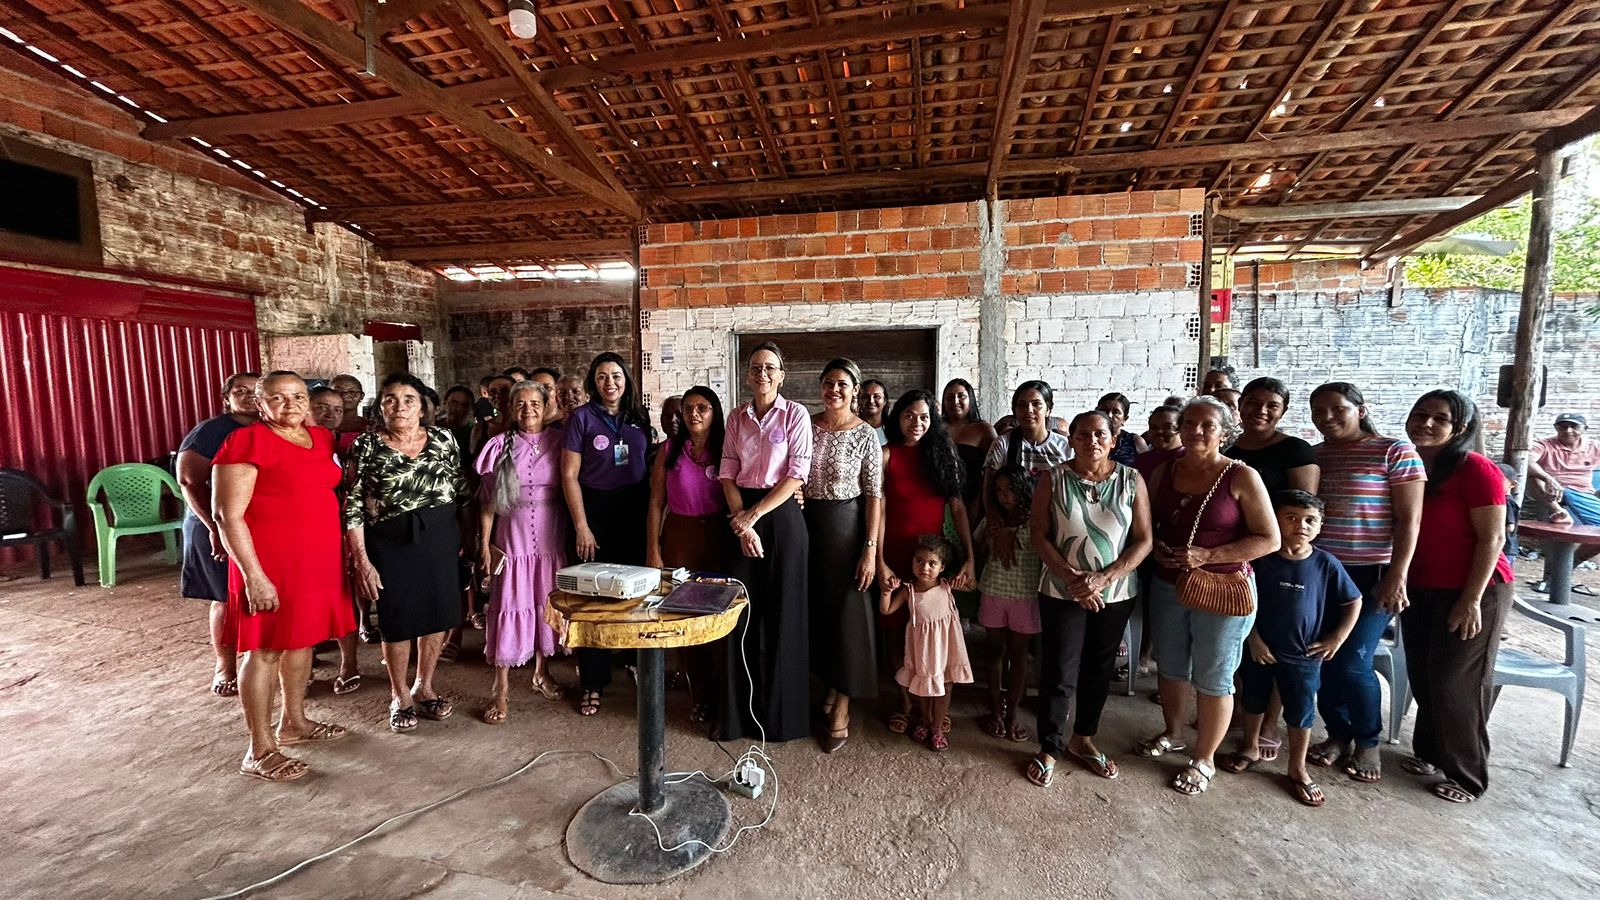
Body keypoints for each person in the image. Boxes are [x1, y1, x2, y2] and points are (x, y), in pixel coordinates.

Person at [212, 371, 354, 782]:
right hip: (270, 564)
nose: (290, 404)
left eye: (298, 396)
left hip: (316, 562)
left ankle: (294, 722)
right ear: (260, 404)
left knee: (302, 640)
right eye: (278, 397)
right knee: (264, 650)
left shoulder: (320, 439)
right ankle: (259, 749)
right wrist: (253, 576)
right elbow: (227, 515)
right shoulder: (247, 442)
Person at [1139, 396, 1280, 797]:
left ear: (1224, 432)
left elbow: (1269, 539)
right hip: (1169, 583)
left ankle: (1204, 758)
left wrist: (1208, 556)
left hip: (1222, 589)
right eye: (1189, 423)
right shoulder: (1165, 471)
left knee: (1214, 675)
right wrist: (1158, 547)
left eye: (1208, 425)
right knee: (1170, 665)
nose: (1197, 431)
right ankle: (1173, 733)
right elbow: (1152, 524)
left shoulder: (1241, 476)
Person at [1025, 411, 1152, 787]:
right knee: (1059, 669)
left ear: (1113, 440)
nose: (1091, 441)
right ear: (1071, 440)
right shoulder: (1053, 478)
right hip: (1061, 589)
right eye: (1083, 434)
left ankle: (1083, 739)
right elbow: (1039, 534)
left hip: (1115, 592)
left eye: (1100, 434)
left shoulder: (1131, 479)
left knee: (1099, 668)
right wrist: (1073, 579)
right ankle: (1050, 746)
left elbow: (1144, 539)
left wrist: (1103, 578)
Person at [1400, 390, 1515, 802]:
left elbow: (1493, 539)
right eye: (1420, 414)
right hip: (1421, 587)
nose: (1426, 423)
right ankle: (1430, 754)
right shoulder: (1410, 463)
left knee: (1456, 684)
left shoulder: (1475, 468)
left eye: (1440, 418)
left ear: (1460, 428)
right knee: (1424, 675)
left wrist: (1471, 600)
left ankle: (1468, 776)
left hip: (1475, 589)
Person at [1307, 381, 1425, 783]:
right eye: (1318, 410)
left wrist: (1398, 574)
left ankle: (1368, 740)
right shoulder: (1316, 455)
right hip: (1322, 571)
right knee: (1321, 655)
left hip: (1372, 572)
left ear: (1360, 410)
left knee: (1353, 659)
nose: (1326, 417)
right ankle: (1337, 734)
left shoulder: (1394, 451)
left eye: (1337, 408)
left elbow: (1410, 520)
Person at [343, 373, 469, 734]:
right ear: (380, 407)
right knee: (397, 617)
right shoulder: (366, 445)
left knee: (437, 613)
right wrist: (362, 560)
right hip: (390, 542)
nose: (400, 406)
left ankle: (424, 686)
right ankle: (399, 694)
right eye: (391, 399)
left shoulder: (443, 438)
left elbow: (460, 488)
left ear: (422, 407)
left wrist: (471, 538)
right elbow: (352, 505)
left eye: (409, 399)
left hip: (440, 537)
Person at [1220, 490, 1361, 807]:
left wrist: (1337, 638)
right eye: (1292, 518)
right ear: (1275, 519)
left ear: (1321, 525)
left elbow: (1354, 601)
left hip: (1303, 655)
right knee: (1253, 699)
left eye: (1310, 520)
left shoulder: (1326, 564)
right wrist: (1253, 638)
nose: (1301, 525)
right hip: (1259, 648)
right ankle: (1249, 747)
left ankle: (1297, 768)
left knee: (1300, 710)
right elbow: (1242, 599)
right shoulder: (1262, 559)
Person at [717, 341, 814, 742]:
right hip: (741, 515)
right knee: (737, 616)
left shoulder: (795, 415)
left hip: (782, 517)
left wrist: (753, 517)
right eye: (756, 367)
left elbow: (797, 474)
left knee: (784, 616)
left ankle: (782, 720)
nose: (762, 374)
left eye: (770, 368)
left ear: (781, 375)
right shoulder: (736, 418)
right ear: (747, 374)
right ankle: (736, 718)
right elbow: (727, 471)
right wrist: (743, 526)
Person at [879, 388, 977, 734]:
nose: (916, 423)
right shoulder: (886, 455)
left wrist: (969, 557)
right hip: (895, 554)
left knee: (934, 633)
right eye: (909, 415)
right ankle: (905, 703)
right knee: (897, 632)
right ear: (898, 418)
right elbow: (878, 510)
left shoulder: (942, 453)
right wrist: (878, 558)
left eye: (924, 417)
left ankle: (933, 705)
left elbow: (958, 508)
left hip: (931, 560)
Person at [561, 352, 652, 716]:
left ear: (626, 380)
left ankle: (633, 660)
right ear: (593, 382)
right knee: (592, 596)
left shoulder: (638, 416)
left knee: (636, 592)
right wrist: (582, 525)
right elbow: (569, 475)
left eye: (616, 376)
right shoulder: (581, 418)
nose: (609, 383)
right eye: (602, 376)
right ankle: (592, 680)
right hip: (595, 509)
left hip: (635, 509)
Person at [475, 380, 569, 724]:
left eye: (535, 403)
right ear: (510, 409)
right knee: (508, 605)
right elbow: (487, 502)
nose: (528, 410)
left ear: (546, 407)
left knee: (545, 604)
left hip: (550, 537)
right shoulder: (498, 445)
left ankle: (541, 673)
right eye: (520, 404)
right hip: (511, 539)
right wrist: (485, 545)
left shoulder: (559, 442)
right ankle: (500, 689)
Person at [806, 359, 883, 753]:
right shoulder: (806, 424)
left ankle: (843, 705)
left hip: (846, 530)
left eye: (842, 384)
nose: (834, 389)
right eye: (828, 382)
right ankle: (829, 686)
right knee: (818, 614)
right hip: (808, 528)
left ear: (855, 390)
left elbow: (874, 496)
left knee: (848, 618)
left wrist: (869, 549)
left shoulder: (866, 434)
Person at [645, 385, 733, 725]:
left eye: (702, 408)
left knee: (719, 616)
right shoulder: (670, 450)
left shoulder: (726, 447)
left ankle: (724, 693)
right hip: (680, 538)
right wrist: (653, 549)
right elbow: (656, 502)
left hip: (720, 537)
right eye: (688, 409)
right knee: (685, 617)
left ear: (714, 413)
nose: (694, 414)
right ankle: (700, 694)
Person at [176, 371, 259, 697]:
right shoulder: (211, 431)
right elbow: (189, 481)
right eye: (241, 391)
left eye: (255, 390)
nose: (249, 396)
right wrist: (215, 527)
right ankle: (225, 665)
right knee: (224, 596)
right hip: (213, 524)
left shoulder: (269, 428)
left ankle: (263, 659)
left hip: (256, 524)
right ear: (227, 398)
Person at [881, 535, 972, 752]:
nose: (925, 568)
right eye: (919, 561)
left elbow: (972, 585)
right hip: (923, 649)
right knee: (923, 685)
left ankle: (937, 728)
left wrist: (963, 576)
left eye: (932, 563)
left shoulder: (946, 585)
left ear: (942, 567)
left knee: (945, 685)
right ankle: (924, 719)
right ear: (912, 561)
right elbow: (886, 610)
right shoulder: (909, 591)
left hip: (946, 647)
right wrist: (886, 592)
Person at [977, 464, 1042, 744]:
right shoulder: (992, 520)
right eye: (999, 490)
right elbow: (978, 548)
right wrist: (994, 531)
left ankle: (1012, 714)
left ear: (1024, 489)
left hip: (1025, 596)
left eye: (1011, 489)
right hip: (993, 591)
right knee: (994, 652)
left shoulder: (1037, 520)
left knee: (1018, 656)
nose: (1004, 496)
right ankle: (995, 711)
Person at [308, 383, 366, 687]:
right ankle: (305, 659)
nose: (329, 414)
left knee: (342, 594)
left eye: (337, 409)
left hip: (340, 526)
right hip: (304, 530)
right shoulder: (295, 442)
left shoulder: (345, 443)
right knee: (306, 595)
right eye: (321, 407)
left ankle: (349, 662)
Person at [984, 382, 1072, 572]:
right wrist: (999, 526)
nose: (1029, 410)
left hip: (1053, 529)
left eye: (1036, 404)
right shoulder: (1003, 443)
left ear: (1048, 409)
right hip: (1013, 528)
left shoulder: (1064, 447)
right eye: (1022, 405)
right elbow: (989, 489)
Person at [1226, 377, 1318, 497]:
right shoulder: (1225, 447)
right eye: (1253, 403)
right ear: (1240, 404)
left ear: (1283, 411)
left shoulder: (1296, 450)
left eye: (1272, 406)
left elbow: (1303, 505)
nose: (1262, 411)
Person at [1528, 413, 1600, 535]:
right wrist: (1548, 478)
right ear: (1556, 428)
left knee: (1594, 530)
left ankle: (1580, 549)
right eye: (1563, 427)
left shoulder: (1594, 446)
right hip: (1550, 493)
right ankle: (1558, 511)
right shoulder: (1545, 444)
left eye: (1574, 426)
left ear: (1584, 429)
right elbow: (1527, 461)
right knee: (1533, 475)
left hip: (1582, 493)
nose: (1568, 431)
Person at [943, 378, 996, 512]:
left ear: (970, 399)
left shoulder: (984, 430)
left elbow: (992, 472)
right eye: (949, 397)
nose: (955, 401)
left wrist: (979, 505)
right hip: (937, 499)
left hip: (972, 501)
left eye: (961, 396)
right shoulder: (935, 428)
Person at [1096, 392, 1149, 466]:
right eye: (1104, 410)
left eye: (1116, 412)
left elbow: (1149, 469)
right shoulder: (1087, 438)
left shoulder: (1134, 441)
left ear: (1124, 419)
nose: (1109, 415)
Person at [470, 374, 514, 458]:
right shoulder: (479, 428)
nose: (497, 395)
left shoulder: (523, 425)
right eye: (493, 392)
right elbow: (474, 458)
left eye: (504, 391)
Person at [860, 378, 889, 446]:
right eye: (865, 396)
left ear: (885, 401)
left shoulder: (895, 430)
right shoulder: (850, 428)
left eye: (877, 396)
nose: (871, 401)